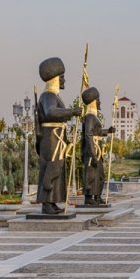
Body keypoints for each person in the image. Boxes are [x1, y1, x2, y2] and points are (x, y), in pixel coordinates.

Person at [36, 57, 79, 215]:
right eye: (61, 77)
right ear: (54, 79)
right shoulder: (48, 96)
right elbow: (51, 112)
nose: (64, 80)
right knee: (52, 167)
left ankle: (52, 201)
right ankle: (46, 203)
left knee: (58, 168)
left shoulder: (55, 96)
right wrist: (72, 112)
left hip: (57, 137)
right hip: (50, 137)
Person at [80, 87, 115, 205]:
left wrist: (108, 131)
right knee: (91, 175)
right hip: (91, 151)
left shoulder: (94, 117)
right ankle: (89, 198)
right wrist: (93, 154)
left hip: (96, 151)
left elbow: (96, 132)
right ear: (93, 102)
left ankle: (97, 196)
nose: (100, 102)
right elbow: (88, 135)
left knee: (99, 175)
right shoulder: (89, 117)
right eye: (98, 100)